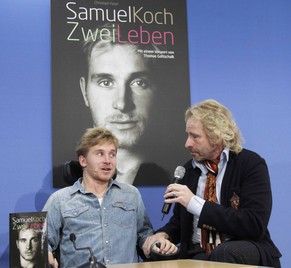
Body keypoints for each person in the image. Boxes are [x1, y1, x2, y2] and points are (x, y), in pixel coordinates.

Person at [143, 99, 282, 267]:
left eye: (195, 136)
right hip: (198, 251)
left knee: (223, 252)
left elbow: (253, 224)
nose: (187, 143)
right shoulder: (188, 170)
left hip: (243, 248)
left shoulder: (250, 164)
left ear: (216, 136)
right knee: (157, 253)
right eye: (188, 135)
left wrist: (194, 203)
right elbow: (180, 223)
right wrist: (163, 235)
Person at [43, 127, 177, 268]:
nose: (108, 161)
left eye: (112, 154)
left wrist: (157, 245)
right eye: (100, 154)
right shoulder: (60, 200)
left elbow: (144, 236)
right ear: (83, 161)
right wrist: (46, 254)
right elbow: (42, 243)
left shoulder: (131, 195)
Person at [78, 24, 172, 186]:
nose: (122, 103)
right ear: (84, 92)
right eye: (106, 82)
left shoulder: (176, 175)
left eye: (139, 83)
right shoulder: (67, 180)